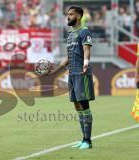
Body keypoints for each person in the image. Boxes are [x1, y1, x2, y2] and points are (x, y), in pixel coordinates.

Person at [56, 5, 95, 149]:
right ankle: (83, 139)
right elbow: (68, 56)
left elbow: (86, 49)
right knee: (77, 106)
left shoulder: (84, 31)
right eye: (68, 14)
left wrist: (86, 63)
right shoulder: (71, 34)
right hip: (72, 73)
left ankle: (88, 140)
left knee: (84, 105)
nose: (68, 17)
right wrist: (57, 69)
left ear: (78, 16)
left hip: (81, 72)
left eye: (71, 14)